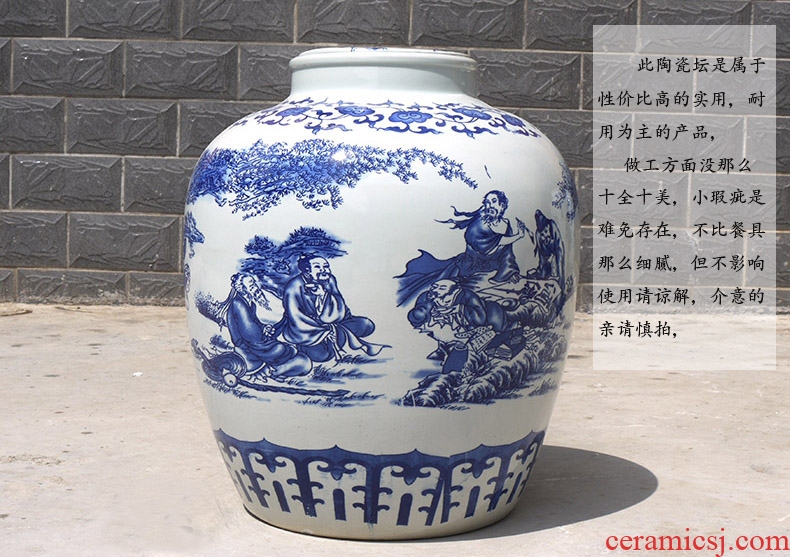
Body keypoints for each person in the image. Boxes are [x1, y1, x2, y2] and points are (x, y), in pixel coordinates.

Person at [396, 190, 528, 306]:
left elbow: (507, 253)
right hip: (470, 267)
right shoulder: (479, 223)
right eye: (487, 203)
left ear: (502, 205)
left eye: (494, 202)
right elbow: (486, 243)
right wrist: (518, 236)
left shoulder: (505, 224)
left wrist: (511, 271)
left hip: (494, 267)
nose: (490, 206)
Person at [280, 255, 384, 363]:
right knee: (323, 355)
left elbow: (339, 303)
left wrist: (323, 294)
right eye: (317, 267)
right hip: (308, 330)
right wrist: (324, 331)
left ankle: (337, 337)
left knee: (366, 325)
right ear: (307, 271)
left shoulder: (329, 279)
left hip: (333, 321)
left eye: (326, 266)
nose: (323, 270)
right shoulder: (294, 287)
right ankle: (333, 339)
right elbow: (296, 316)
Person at [222, 273, 311, 379]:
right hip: (248, 345)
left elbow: (255, 323)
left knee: (302, 359)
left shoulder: (250, 303)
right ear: (242, 289)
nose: (255, 287)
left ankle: (273, 370)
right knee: (282, 349)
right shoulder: (238, 304)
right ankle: (269, 371)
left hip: (257, 341)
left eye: (254, 283)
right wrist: (266, 335)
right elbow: (250, 334)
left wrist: (264, 328)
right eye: (251, 285)